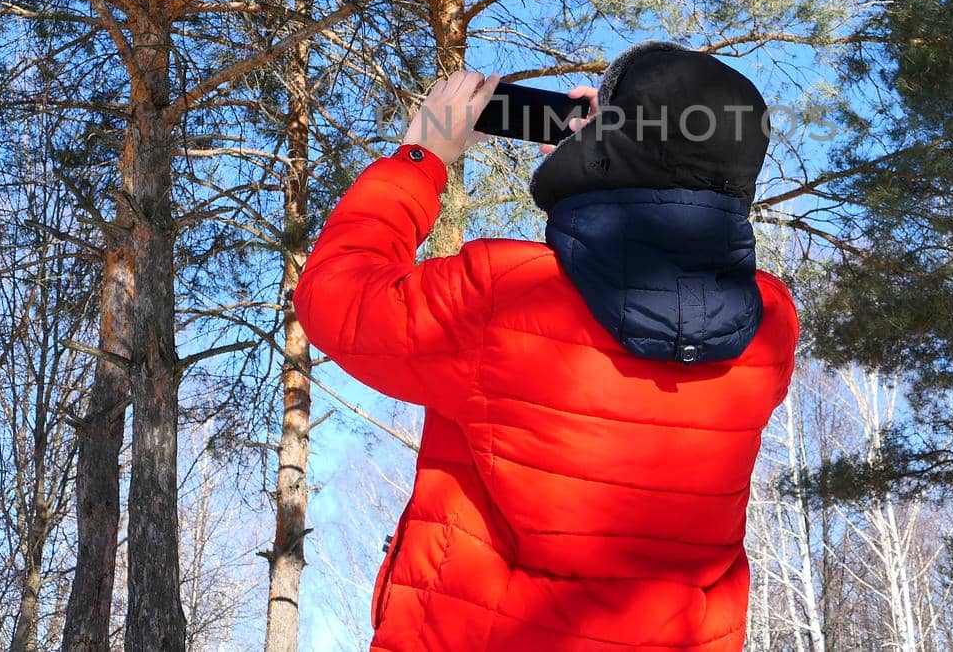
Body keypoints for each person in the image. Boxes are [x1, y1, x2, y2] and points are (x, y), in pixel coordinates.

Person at [294, 41, 800, 652]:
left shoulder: (502, 297)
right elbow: (647, 262)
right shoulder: (768, 327)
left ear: (610, 145)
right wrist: (604, 153)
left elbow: (335, 297)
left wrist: (422, 154)